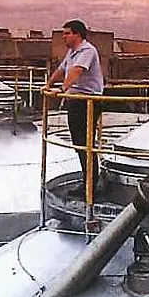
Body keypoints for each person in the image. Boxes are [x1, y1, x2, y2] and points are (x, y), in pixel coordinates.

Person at [45, 19, 105, 180]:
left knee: (85, 144)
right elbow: (62, 69)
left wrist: (62, 89)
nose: (63, 37)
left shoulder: (87, 51)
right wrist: (48, 84)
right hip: (77, 101)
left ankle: (91, 183)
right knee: (79, 144)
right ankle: (88, 180)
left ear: (77, 35)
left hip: (88, 102)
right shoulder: (72, 52)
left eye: (67, 33)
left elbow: (76, 71)